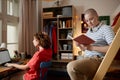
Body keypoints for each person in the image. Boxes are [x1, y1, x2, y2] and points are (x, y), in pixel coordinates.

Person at [67, 8, 115, 80]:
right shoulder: (89, 31)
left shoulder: (106, 29)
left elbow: (113, 48)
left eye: (91, 19)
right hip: (87, 58)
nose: (89, 22)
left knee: (71, 66)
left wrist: (92, 48)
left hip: (98, 59)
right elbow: (85, 49)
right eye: (87, 21)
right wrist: (79, 45)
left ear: (97, 16)